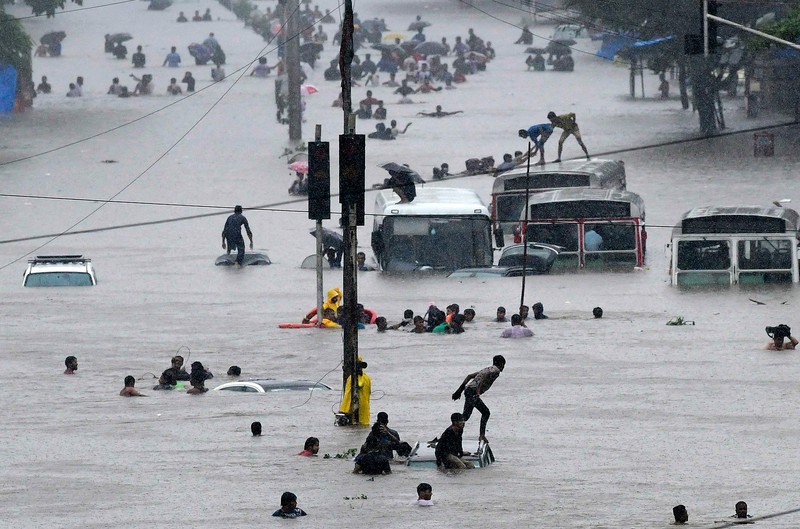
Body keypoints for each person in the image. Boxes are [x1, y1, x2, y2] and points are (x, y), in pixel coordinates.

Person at [451, 355, 506, 443]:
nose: (504, 367)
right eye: (504, 365)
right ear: (502, 364)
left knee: (479, 414)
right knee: (467, 417)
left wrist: (459, 390)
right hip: (472, 392)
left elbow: (469, 376)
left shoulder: (487, 369)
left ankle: (481, 435)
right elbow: (483, 379)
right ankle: (450, 434)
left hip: (469, 391)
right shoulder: (496, 370)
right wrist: (477, 392)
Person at [339, 357, 371, 425]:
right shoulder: (366, 377)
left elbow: (359, 384)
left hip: (356, 407)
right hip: (361, 406)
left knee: (357, 424)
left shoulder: (359, 376)